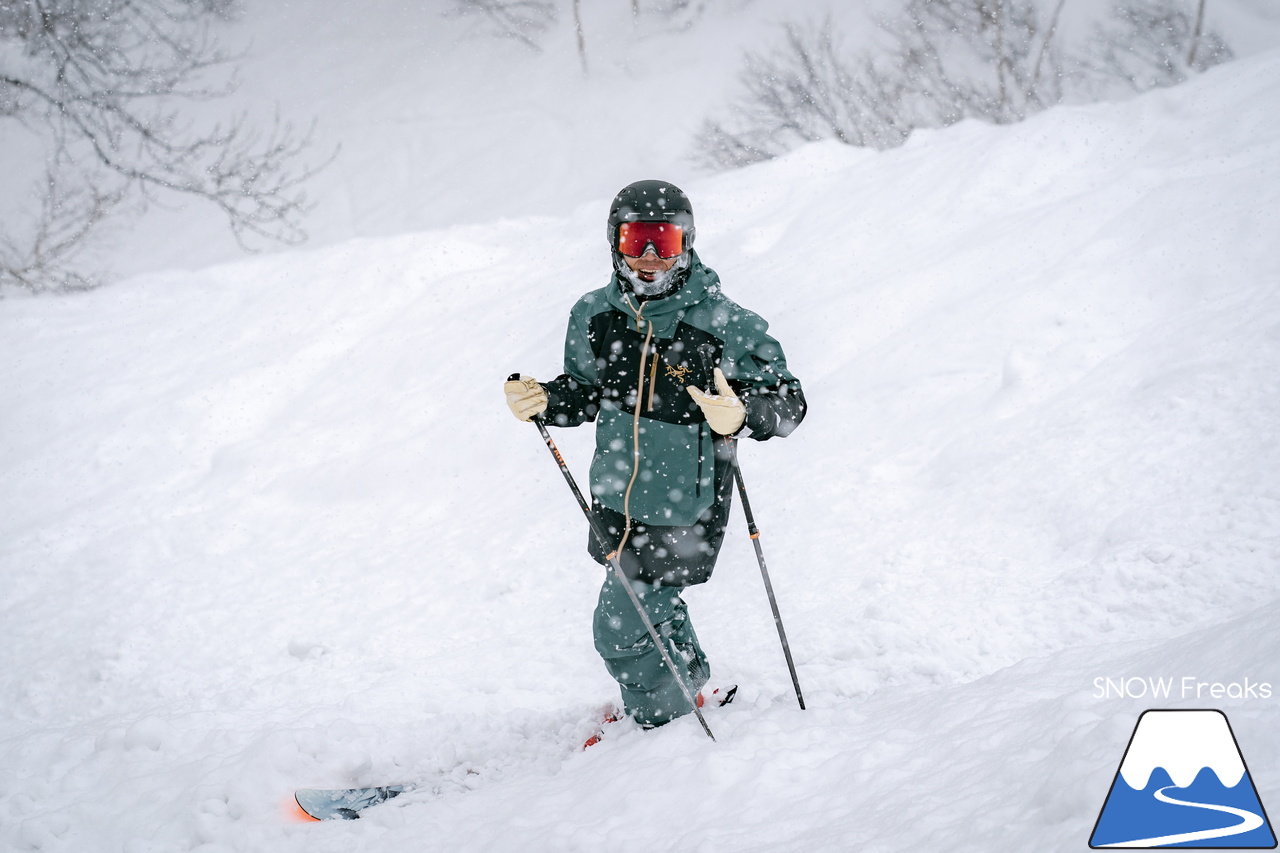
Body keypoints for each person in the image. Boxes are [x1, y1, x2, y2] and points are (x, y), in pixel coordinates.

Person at [504, 179, 805, 729]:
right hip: (616, 495)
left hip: (683, 505)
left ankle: (662, 730)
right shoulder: (594, 315)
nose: (647, 258)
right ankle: (691, 688)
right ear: (614, 242)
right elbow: (587, 390)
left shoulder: (723, 323)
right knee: (652, 608)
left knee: (620, 627)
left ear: (686, 243)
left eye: (662, 241)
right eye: (634, 239)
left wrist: (742, 415)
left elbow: (789, 402)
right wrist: (548, 398)